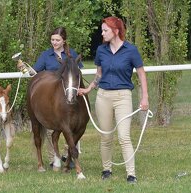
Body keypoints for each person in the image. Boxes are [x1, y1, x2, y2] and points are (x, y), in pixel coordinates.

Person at [78, 16, 149, 183]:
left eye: (105, 30)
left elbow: (141, 73)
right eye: (102, 30)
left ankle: (131, 174)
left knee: (124, 137)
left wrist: (145, 97)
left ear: (116, 31)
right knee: (106, 136)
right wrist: (88, 89)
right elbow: (99, 74)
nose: (102, 33)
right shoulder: (101, 50)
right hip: (103, 97)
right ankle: (106, 169)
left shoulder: (131, 50)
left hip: (123, 97)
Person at [33, 27, 83, 168]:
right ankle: (53, 157)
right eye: (52, 40)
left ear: (64, 41)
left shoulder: (71, 54)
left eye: (57, 40)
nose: (54, 42)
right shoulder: (45, 55)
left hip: (68, 94)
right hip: (51, 95)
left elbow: (77, 73)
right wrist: (24, 68)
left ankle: (68, 155)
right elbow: (35, 72)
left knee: (72, 125)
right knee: (51, 128)